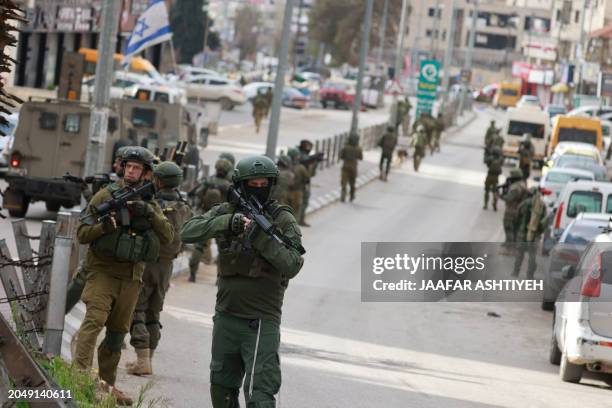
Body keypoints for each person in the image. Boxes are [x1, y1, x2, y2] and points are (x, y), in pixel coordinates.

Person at [180, 155, 305, 408]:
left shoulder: (281, 219)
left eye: (263, 184)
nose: (258, 189)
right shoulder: (227, 212)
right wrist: (228, 223)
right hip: (226, 316)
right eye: (252, 184)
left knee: (259, 396)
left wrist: (261, 238)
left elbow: (293, 264)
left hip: (259, 322)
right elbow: (187, 231)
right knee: (221, 390)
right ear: (240, 184)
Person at [74, 147, 174, 405]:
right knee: (93, 321)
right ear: (121, 167)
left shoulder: (150, 203)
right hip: (103, 272)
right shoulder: (105, 196)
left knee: (117, 334)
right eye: (128, 166)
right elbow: (82, 233)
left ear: (145, 173)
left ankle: (105, 387)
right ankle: (79, 378)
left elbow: (168, 236)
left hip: (131, 277)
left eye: (136, 168)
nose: (131, 171)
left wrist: (148, 213)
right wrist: (102, 227)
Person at [127, 161, 192, 376]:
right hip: (167, 266)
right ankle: (149, 359)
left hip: (148, 262)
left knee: (137, 309)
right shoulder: (184, 206)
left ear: (159, 180)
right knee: (154, 312)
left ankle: (142, 360)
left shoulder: (154, 204)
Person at [188, 158, 233, 282]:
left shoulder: (208, 181)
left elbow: (197, 195)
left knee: (198, 247)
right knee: (223, 249)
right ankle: (219, 279)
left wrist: (198, 211)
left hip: (206, 216)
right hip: (222, 219)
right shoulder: (229, 186)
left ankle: (192, 275)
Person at [512, 187, 547, 278]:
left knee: (520, 253)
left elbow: (516, 217)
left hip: (522, 233)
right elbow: (544, 221)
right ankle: (530, 275)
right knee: (532, 255)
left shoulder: (524, 203)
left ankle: (516, 272)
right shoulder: (541, 205)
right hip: (535, 234)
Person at [500, 168, 528, 253]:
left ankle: (510, 250)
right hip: (519, 211)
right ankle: (513, 247)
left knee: (509, 229)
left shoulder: (516, 187)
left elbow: (509, 198)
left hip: (512, 211)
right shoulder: (522, 184)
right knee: (515, 230)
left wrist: (500, 195)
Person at [297, 139, 317, 227]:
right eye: (308, 147)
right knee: (297, 204)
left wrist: (315, 163)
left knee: (305, 202)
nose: (309, 149)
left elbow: (311, 174)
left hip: (305, 184)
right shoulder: (299, 155)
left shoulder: (308, 158)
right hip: (298, 185)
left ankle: (301, 220)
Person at [339, 132, 363, 202]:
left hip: (345, 166)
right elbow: (361, 158)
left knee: (344, 182)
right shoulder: (359, 148)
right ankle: (352, 194)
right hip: (354, 167)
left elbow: (341, 156)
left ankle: (343, 195)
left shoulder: (346, 147)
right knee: (352, 182)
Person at [287, 148, 310, 218]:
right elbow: (307, 178)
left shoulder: (284, 166)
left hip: (285, 192)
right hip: (297, 193)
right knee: (295, 213)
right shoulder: (301, 167)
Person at [483, 147, 504, 211]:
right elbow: (501, 163)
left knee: (487, 190)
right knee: (495, 191)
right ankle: (495, 204)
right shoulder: (500, 159)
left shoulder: (491, 158)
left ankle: (486, 204)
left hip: (489, 175)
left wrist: (486, 153)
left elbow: (485, 161)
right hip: (496, 177)